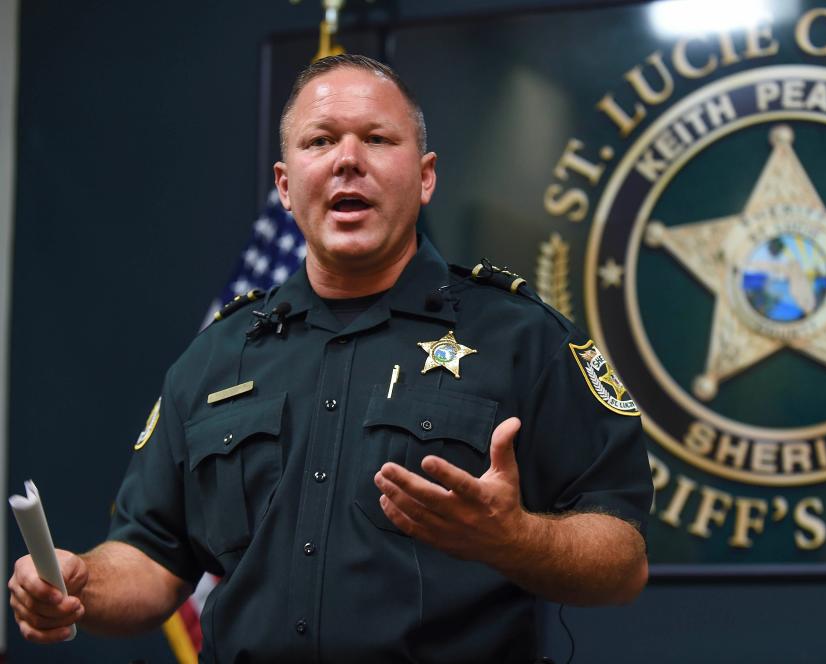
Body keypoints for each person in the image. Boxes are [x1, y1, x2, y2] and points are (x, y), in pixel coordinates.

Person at [8, 54, 652, 662]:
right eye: (320, 141)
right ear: (286, 187)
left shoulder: (523, 337)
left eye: (377, 139)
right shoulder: (217, 357)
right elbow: (151, 556)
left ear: (425, 176)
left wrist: (514, 539)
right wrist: (81, 584)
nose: (348, 160)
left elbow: (623, 559)